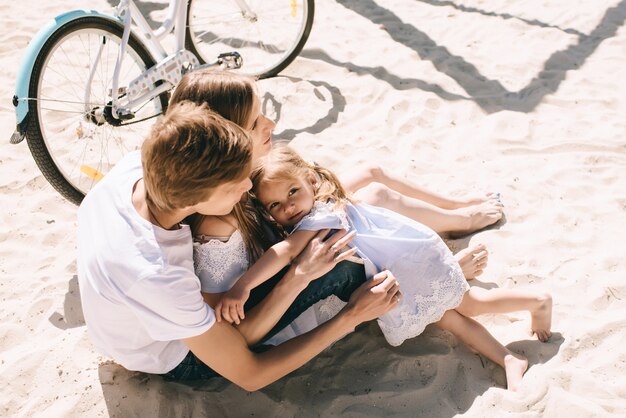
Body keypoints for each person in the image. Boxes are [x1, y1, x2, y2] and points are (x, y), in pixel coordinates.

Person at [76, 101, 402, 391]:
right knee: (342, 260)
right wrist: (351, 316)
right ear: (198, 200)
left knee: (323, 233)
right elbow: (251, 375)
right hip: (173, 353)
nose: (247, 185)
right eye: (235, 184)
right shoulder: (158, 273)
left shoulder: (138, 166)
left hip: (142, 314)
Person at [212, 144, 552, 391]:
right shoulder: (320, 206)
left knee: (469, 305)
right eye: (276, 204)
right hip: (398, 268)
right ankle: (509, 359)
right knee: (448, 318)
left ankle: (536, 301)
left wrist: (242, 286)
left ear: (311, 183)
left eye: (293, 192)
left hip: (413, 263)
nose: (288, 206)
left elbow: (283, 252)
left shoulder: (315, 218)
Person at [169, 69, 502, 281]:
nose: (271, 125)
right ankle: (450, 257)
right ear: (229, 134)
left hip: (300, 231)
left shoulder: (245, 175)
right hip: (310, 264)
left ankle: (457, 212)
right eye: (257, 122)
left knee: (373, 179)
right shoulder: (221, 213)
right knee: (372, 202)